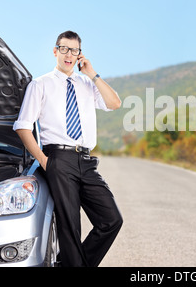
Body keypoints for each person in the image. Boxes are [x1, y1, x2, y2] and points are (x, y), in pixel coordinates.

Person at [13, 30, 123, 267]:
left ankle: (66, 264)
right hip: (58, 158)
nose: (69, 54)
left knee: (111, 220)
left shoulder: (87, 84)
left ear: (79, 55)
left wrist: (92, 74)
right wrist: (44, 161)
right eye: (64, 49)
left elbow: (114, 103)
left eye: (74, 50)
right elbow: (23, 127)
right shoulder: (40, 85)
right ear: (55, 51)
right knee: (70, 226)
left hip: (86, 160)